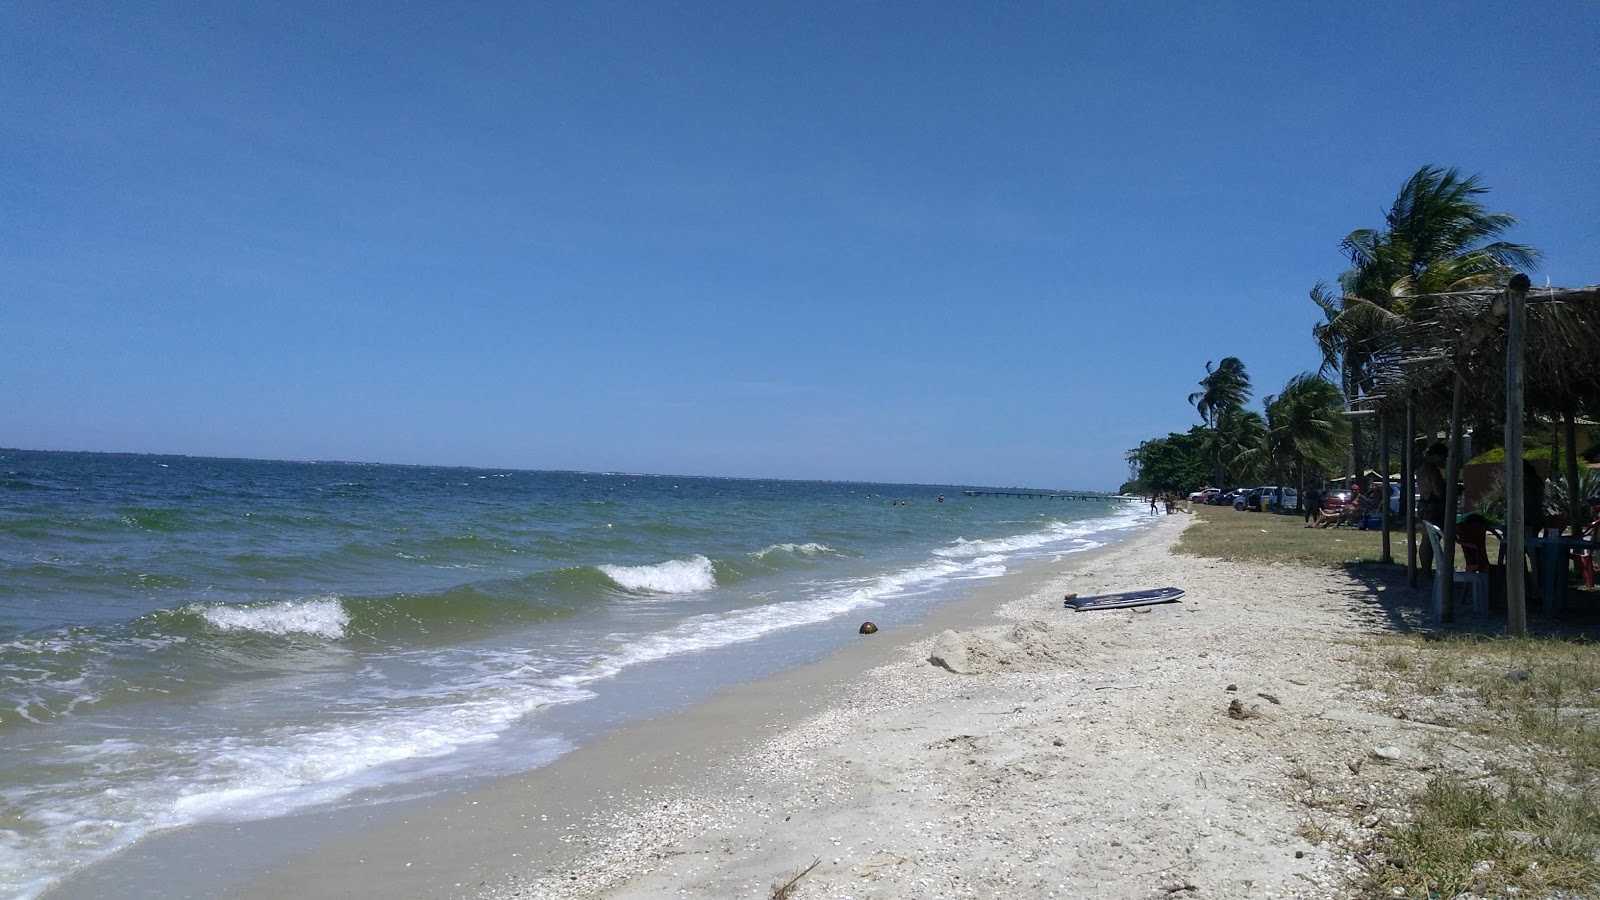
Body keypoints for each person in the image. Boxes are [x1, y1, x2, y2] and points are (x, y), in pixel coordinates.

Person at [1416, 443, 1448, 577]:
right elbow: (1439, 492)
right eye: (1443, 458)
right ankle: (1427, 570)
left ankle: (1426, 569)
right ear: (1436, 456)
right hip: (1433, 506)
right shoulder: (1433, 471)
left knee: (1426, 540)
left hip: (1424, 504)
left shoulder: (1421, 469)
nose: (1444, 461)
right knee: (1431, 540)